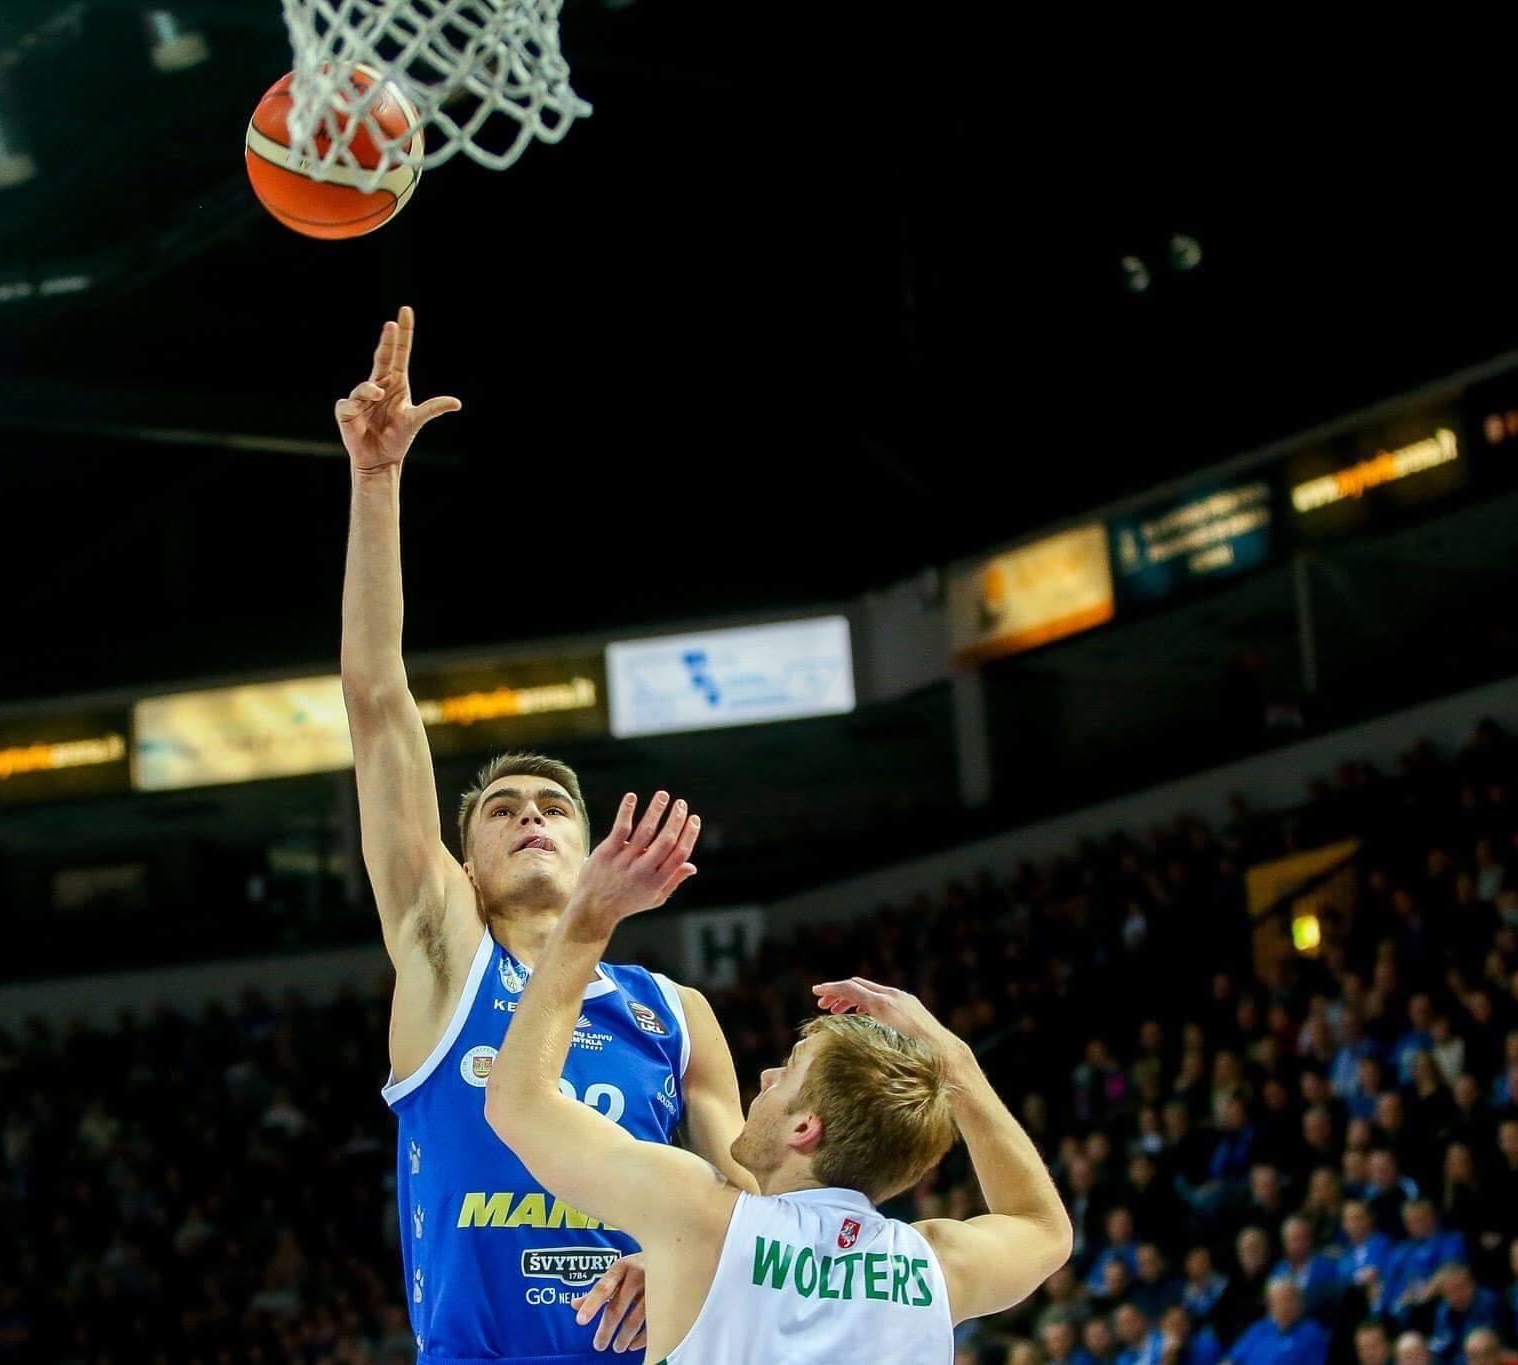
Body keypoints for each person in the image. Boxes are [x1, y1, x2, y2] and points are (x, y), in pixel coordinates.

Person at [335, 310, 751, 1361]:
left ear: (587, 851)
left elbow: (754, 1209)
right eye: (501, 810)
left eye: (554, 808)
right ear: (461, 863)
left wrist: (685, 1256)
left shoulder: (676, 1012)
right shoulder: (442, 954)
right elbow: (378, 702)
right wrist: (376, 486)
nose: (530, 815)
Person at [484, 792, 1074, 1363]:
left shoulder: (701, 1217)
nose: (765, 1075)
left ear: (805, 1128)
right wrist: (956, 1062)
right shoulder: (935, 1265)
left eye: (787, 1074)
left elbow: (517, 1104)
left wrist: (589, 917)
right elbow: (1043, 1229)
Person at [1226, 1280, 1330, 1365]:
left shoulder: (1311, 1333)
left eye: (1289, 1301)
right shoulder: (1260, 1327)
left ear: (1301, 1303)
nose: (1283, 1308)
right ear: (1269, 1307)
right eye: (1277, 1302)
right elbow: (1231, 1360)